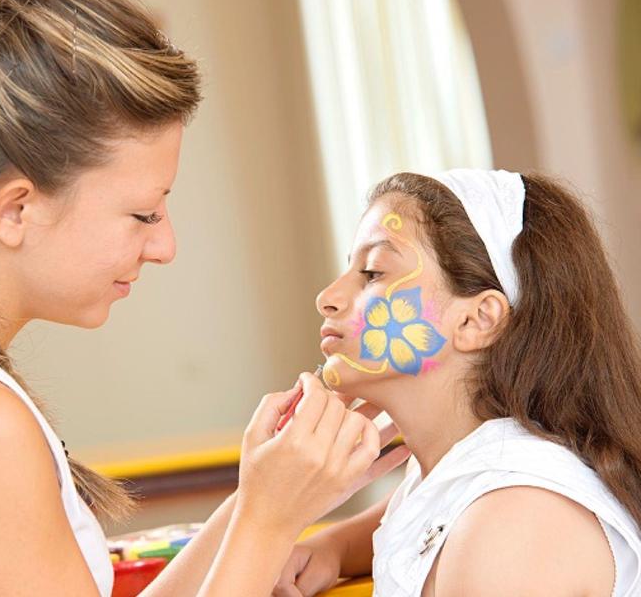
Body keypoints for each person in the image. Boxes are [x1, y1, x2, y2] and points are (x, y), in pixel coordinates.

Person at [0, 0, 411, 595]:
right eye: (143, 214)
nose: (165, 246)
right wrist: (270, 521)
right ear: (15, 211)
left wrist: (258, 499)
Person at [273, 170, 641, 596]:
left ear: (476, 320)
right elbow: (430, 515)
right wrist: (334, 546)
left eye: (372, 272)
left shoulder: (513, 529)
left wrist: (267, 519)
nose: (327, 298)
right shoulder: (466, 475)